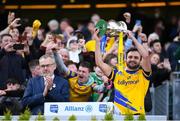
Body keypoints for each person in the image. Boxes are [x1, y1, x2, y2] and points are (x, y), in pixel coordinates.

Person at [94, 29, 151, 115]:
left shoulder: (144, 75)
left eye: (136, 58)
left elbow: (146, 56)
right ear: (125, 59)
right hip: (118, 116)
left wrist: (133, 38)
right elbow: (99, 63)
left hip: (137, 116)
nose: (132, 59)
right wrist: (97, 42)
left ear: (140, 61)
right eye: (130, 57)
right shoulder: (117, 74)